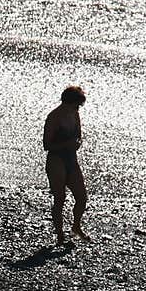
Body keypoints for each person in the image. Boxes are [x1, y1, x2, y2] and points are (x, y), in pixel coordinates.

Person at [43, 84, 88, 245]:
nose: (78, 108)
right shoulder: (54, 117)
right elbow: (46, 145)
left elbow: (79, 136)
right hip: (56, 160)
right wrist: (66, 144)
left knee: (82, 197)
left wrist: (77, 143)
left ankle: (76, 226)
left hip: (71, 158)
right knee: (59, 198)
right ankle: (60, 234)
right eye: (77, 104)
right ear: (67, 102)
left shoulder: (74, 114)